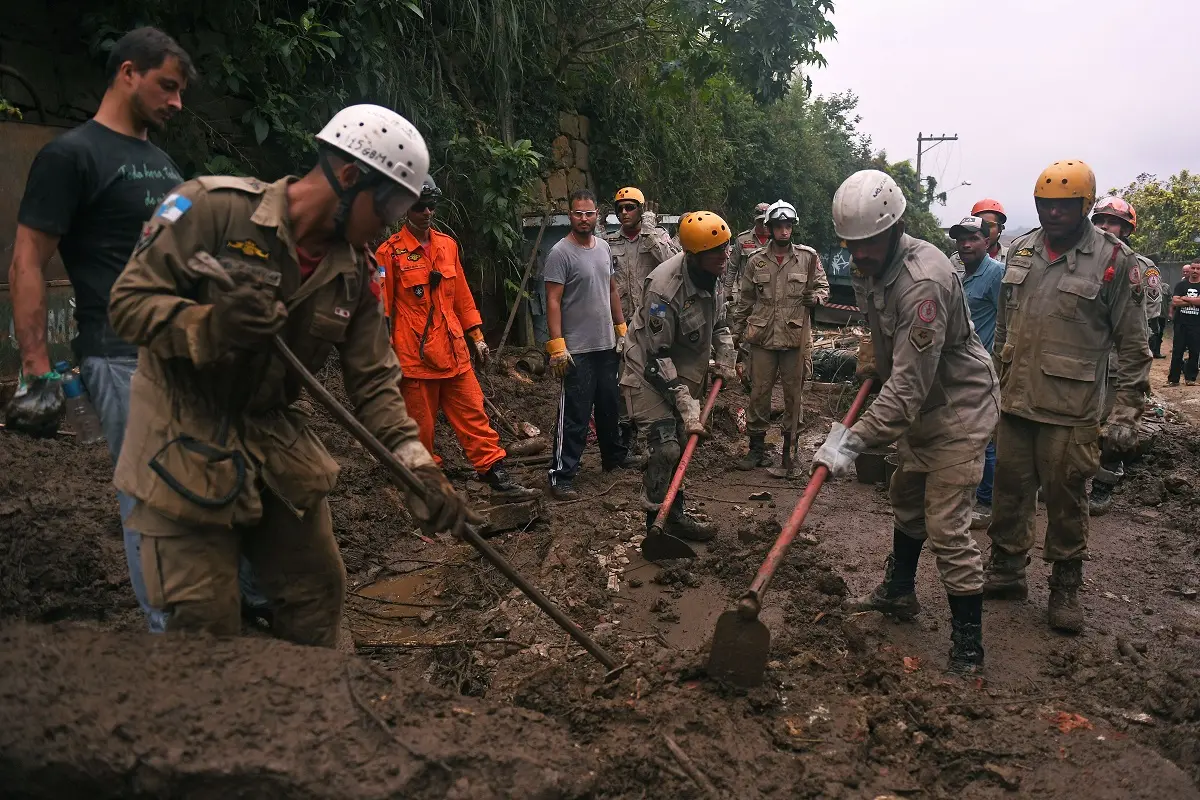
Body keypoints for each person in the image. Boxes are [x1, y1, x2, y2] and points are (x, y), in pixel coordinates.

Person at [106, 104, 478, 644]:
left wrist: (416, 465)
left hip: (273, 435)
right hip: (182, 434)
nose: (396, 218)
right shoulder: (211, 209)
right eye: (392, 201)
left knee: (317, 592)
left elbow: (374, 380)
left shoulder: (357, 272)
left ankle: (323, 714)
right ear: (349, 177)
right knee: (204, 618)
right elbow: (127, 304)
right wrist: (210, 325)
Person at [4, 27, 196, 632]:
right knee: (149, 500)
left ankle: (208, 620)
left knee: (197, 489)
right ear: (127, 73)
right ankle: (170, 637)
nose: (177, 103)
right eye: (167, 86)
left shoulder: (163, 163)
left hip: (181, 351)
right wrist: (36, 368)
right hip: (118, 355)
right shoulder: (72, 155)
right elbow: (28, 260)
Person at [818, 170, 997, 675]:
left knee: (947, 525)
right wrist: (870, 358)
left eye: (867, 243)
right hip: (919, 402)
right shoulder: (866, 264)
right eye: (849, 245)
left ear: (894, 228)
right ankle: (899, 592)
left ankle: (969, 644)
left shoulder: (924, 281)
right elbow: (879, 334)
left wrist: (846, 446)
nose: (857, 256)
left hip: (958, 407)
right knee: (906, 496)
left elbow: (907, 391)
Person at [985, 160, 1150, 634]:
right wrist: (993, 384)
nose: (1053, 213)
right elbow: (1003, 327)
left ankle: (1065, 587)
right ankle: (1007, 571)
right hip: (1015, 401)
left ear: (1084, 206)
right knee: (1009, 492)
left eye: (1065, 205)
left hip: (1072, 411)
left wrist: (1124, 413)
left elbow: (1134, 349)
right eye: (1045, 205)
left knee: (1067, 498)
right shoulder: (1020, 251)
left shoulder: (1116, 262)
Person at [375, 179, 538, 502]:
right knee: (420, 427)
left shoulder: (447, 246)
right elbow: (380, 311)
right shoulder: (389, 253)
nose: (426, 212)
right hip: (415, 358)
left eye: (431, 205)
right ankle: (425, 484)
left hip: (454, 352)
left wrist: (476, 336)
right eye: (419, 206)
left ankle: (494, 472)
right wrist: (382, 357)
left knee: (474, 413)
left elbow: (461, 296)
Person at [620, 211, 737, 541]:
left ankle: (675, 516)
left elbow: (721, 326)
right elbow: (657, 358)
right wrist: (685, 405)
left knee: (684, 444)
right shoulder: (663, 292)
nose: (725, 257)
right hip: (647, 371)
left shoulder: (713, 277)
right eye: (717, 252)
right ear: (695, 256)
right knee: (666, 448)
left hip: (684, 371)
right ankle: (654, 525)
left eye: (727, 248)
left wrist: (726, 358)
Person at [544, 188, 632, 500]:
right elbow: (552, 301)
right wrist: (557, 345)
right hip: (577, 350)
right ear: (570, 216)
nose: (584, 219)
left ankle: (614, 458)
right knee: (575, 415)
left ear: (598, 215)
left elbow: (611, 290)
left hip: (605, 345)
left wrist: (621, 329)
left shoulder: (605, 248)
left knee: (610, 407)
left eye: (589, 213)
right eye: (578, 213)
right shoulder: (559, 253)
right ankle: (561, 474)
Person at [729, 200, 828, 470]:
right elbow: (746, 301)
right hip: (762, 338)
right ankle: (756, 449)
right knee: (758, 393)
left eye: (788, 226)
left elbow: (823, 287)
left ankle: (789, 450)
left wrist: (816, 298)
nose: (784, 231)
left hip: (795, 338)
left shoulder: (808, 258)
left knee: (793, 395)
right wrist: (735, 336)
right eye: (778, 226)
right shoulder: (755, 260)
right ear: (769, 228)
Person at [1089, 196, 1159, 514]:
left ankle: (1103, 485)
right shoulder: (1081, 261)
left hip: (1120, 360)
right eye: (1100, 221)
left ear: (1127, 228)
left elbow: (1146, 321)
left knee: (1117, 426)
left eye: (1112, 222)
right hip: (1086, 357)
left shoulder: (1141, 269)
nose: (1105, 227)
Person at [605, 186, 679, 457]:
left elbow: (672, 263)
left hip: (655, 322)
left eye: (630, 207)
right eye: (620, 208)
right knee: (625, 379)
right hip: (623, 324)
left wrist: (648, 231)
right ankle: (626, 433)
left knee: (660, 372)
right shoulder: (609, 242)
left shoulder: (657, 237)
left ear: (641, 209)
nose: (624, 213)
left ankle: (663, 429)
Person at [948, 216, 1005, 529]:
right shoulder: (956, 273)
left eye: (972, 238)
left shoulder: (996, 274)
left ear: (987, 242)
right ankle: (966, 492)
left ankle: (986, 502)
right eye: (960, 239)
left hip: (983, 370)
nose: (965, 244)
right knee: (961, 433)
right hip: (957, 368)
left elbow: (1008, 321)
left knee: (986, 438)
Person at [724, 202, 771, 305]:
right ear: (755, 219)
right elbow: (732, 268)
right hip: (746, 291)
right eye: (760, 221)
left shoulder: (776, 240)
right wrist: (727, 292)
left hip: (769, 292)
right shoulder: (743, 239)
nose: (763, 224)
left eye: (766, 221)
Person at [1168, 262, 1200, 386]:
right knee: (1177, 351)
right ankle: (1173, 379)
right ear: (1190, 269)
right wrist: (1194, 301)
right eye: (1193, 268)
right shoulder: (1181, 285)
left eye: (1198, 268)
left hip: (1196, 324)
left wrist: (1185, 298)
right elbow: (1175, 302)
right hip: (1180, 323)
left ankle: (1190, 378)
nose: (1195, 271)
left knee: (1195, 351)